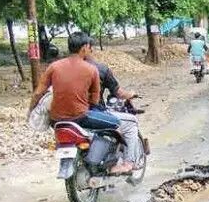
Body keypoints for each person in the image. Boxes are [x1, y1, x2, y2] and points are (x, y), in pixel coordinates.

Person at [28, 32, 126, 174]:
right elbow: (94, 100)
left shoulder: (54, 66)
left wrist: (30, 111)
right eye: (89, 46)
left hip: (56, 120)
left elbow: (38, 93)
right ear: (84, 47)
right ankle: (111, 164)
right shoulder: (92, 69)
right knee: (117, 123)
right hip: (80, 117)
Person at [85, 56, 141, 173]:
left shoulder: (62, 69)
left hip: (67, 115)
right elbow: (118, 93)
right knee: (131, 122)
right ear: (86, 48)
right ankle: (128, 162)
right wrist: (131, 94)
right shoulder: (100, 69)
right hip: (93, 114)